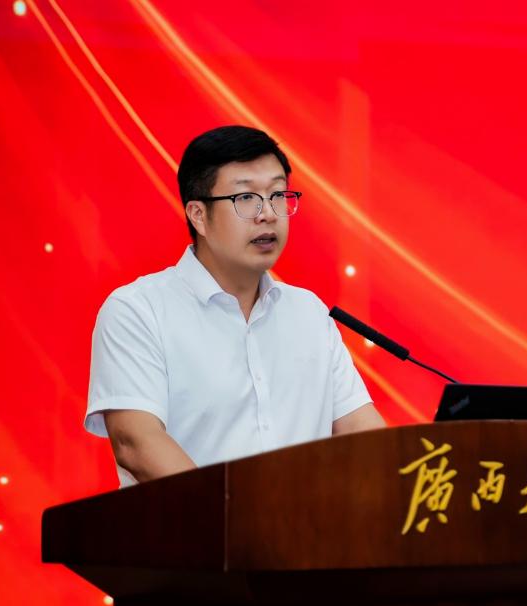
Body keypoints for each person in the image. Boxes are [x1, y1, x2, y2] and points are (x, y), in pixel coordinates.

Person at [84, 124, 385, 486]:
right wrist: (236, 515)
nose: (268, 213)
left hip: (304, 523)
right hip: (194, 523)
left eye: (277, 194)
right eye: (245, 198)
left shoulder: (309, 313)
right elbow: (136, 443)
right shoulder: (137, 311)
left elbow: (361, 431)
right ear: (198, 215)